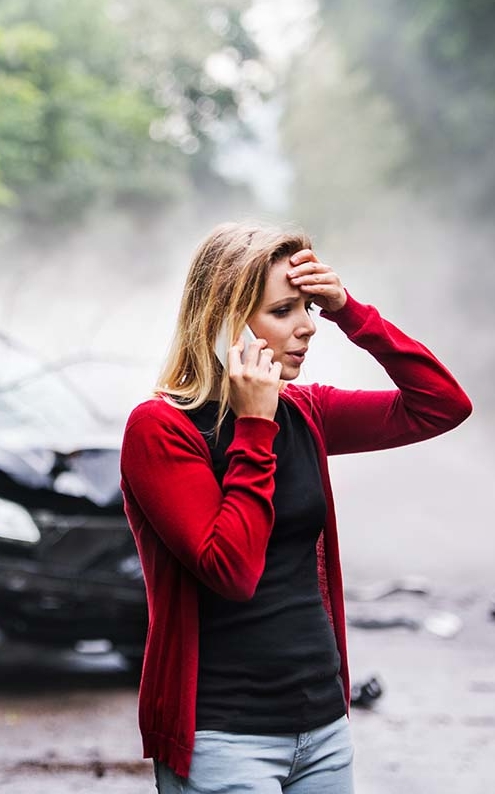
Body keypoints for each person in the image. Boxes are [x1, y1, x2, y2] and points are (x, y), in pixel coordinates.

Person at [119, 221, 472, 793]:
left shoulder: (305, 410)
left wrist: (350, 310)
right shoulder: (161, 429)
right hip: (224, 738)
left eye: (308, 307)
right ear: (224, 321)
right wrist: (254, 425)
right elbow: (231, 570)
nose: (308, 327)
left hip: (323, 729)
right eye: (284, 311)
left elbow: (442, 405)